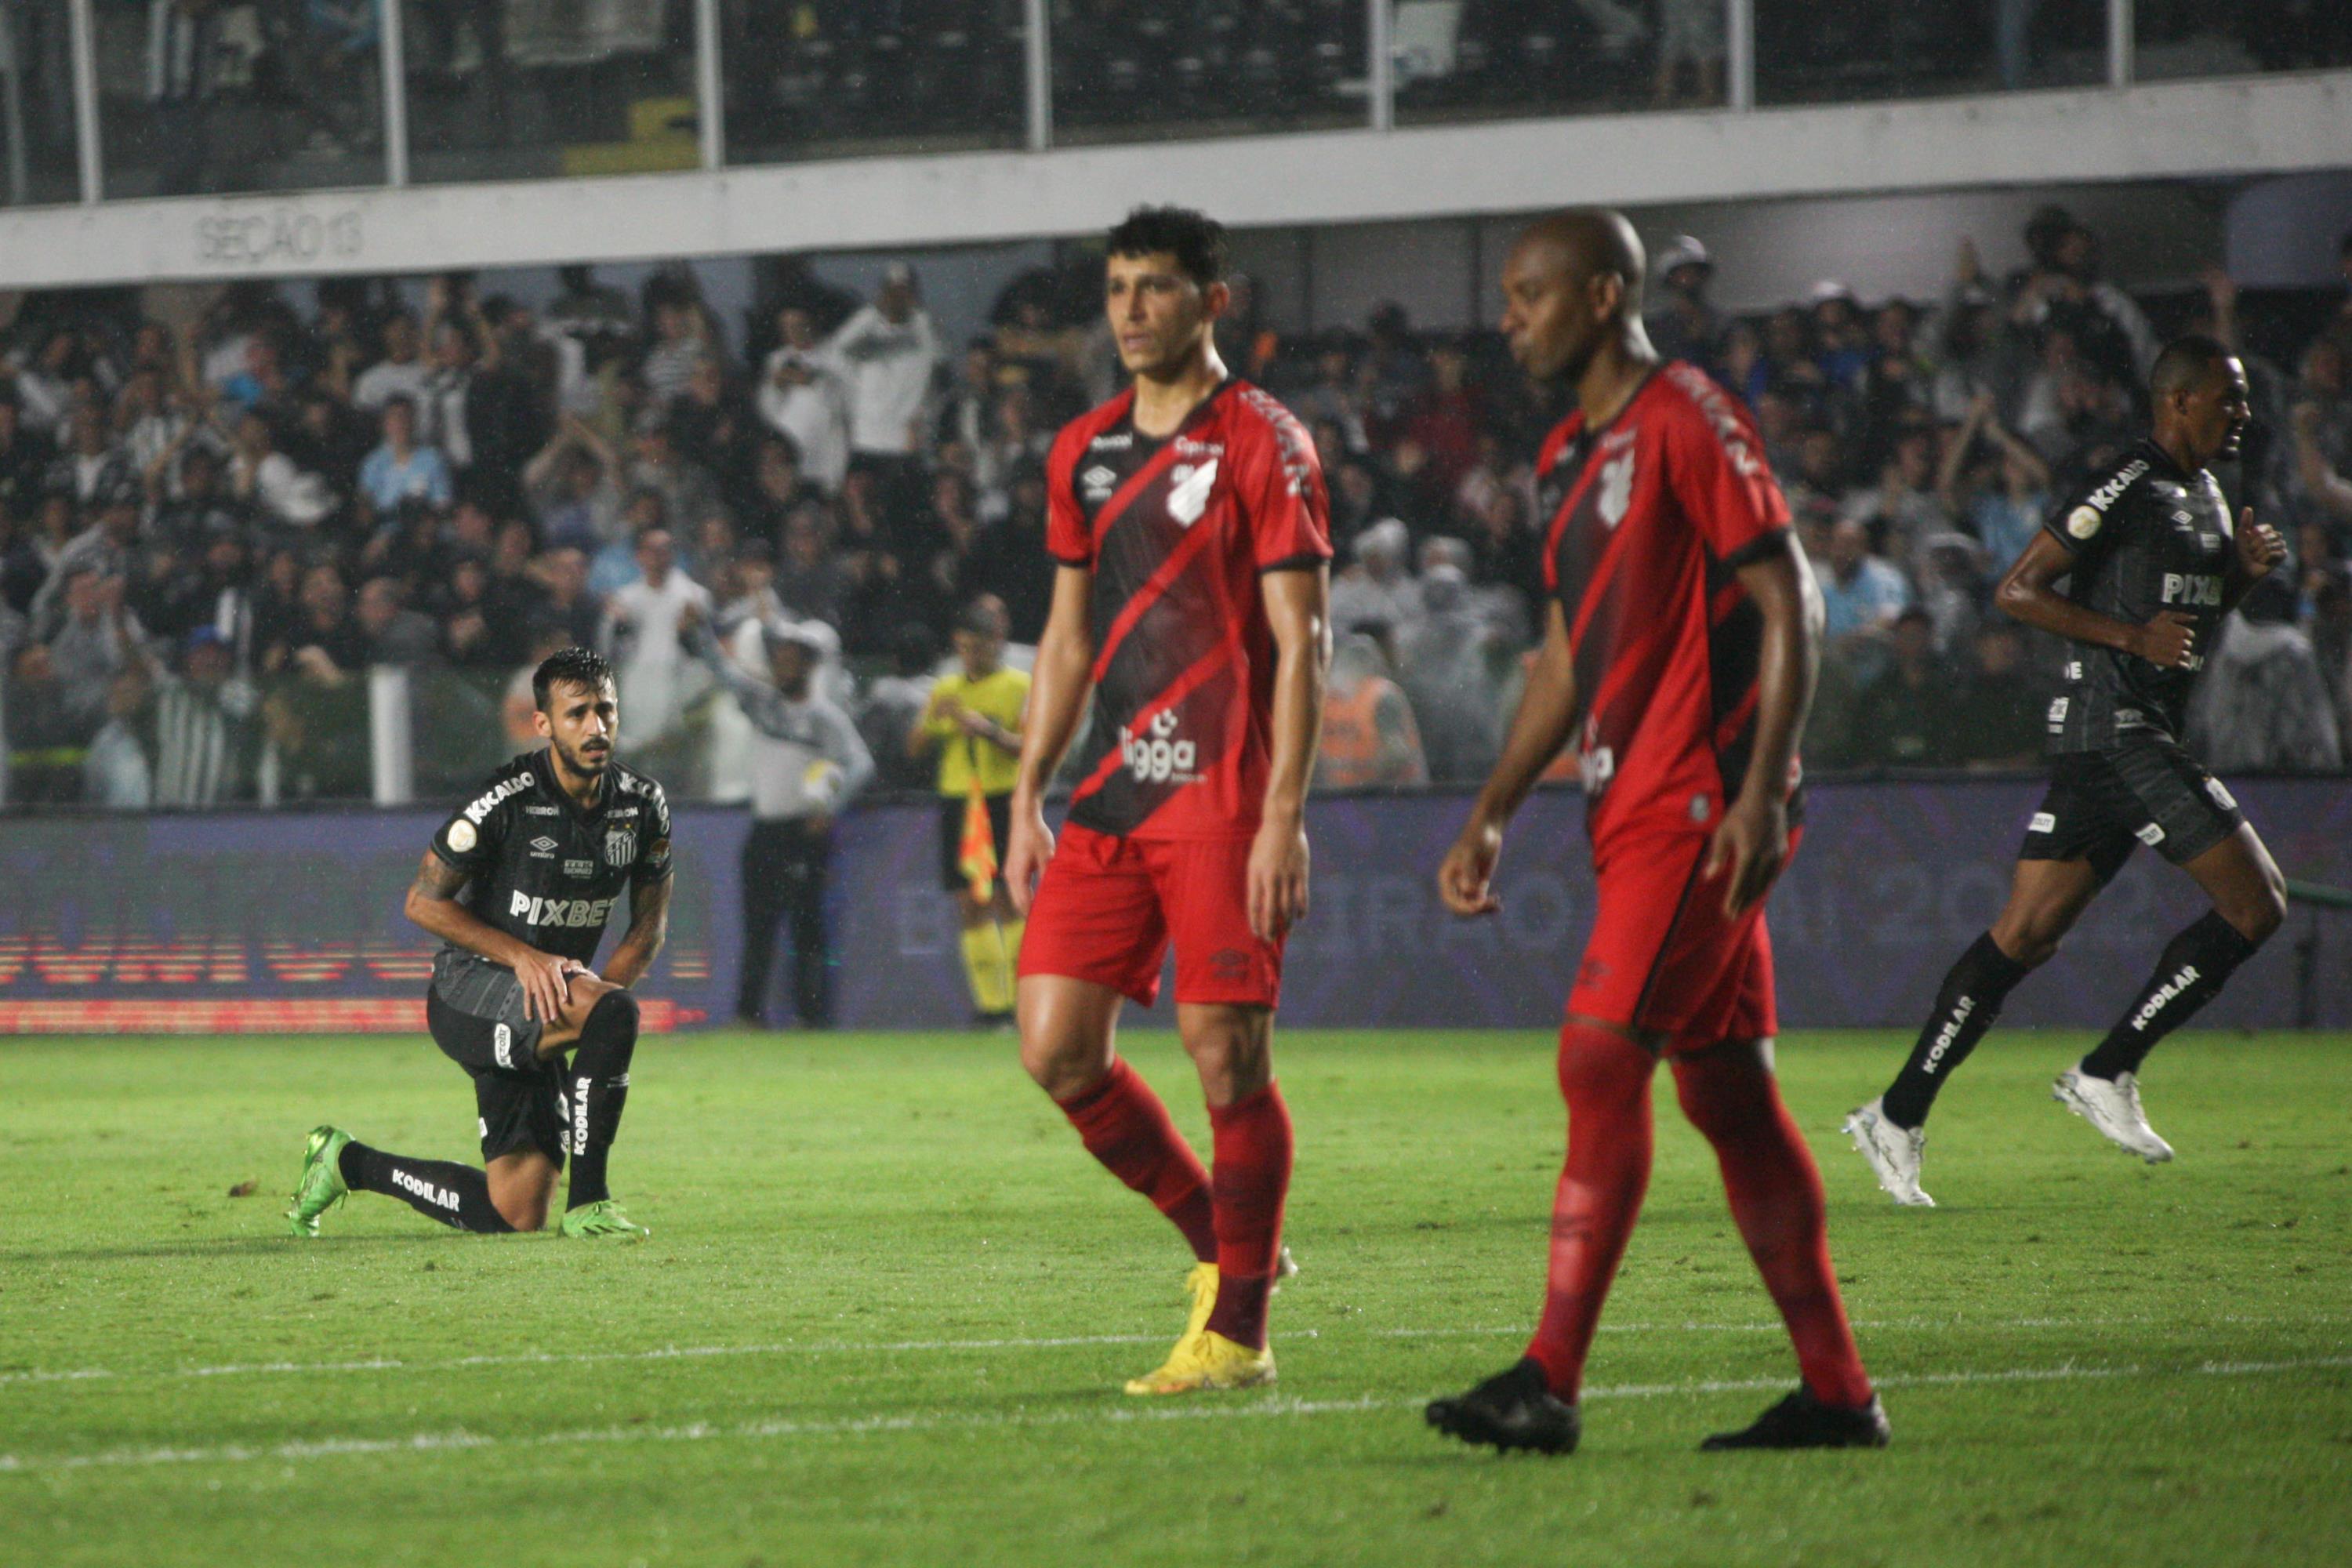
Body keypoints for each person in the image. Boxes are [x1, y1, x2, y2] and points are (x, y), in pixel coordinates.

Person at [1425, 210, 1885, 1456]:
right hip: (1627, 807)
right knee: (1729, 1097)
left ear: (1606, 292)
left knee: (1597, 1061)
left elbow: (1789, 590)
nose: (1510, 317)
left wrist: (1763, 780)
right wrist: (1495, 805)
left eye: (1530, 294)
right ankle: (1838, 1395)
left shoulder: (1686, 412)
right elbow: (1572, 651)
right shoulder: (1573, 453)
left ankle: (1549, 1382)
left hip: (1698, 807)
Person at [1004, 206, 1331, 1396]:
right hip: (1110, 789)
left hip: (1223, 787)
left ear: (1213, 301)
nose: (1132, 309)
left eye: (1155, 287)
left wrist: (1284, 813)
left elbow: (1304, 642)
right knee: (1055, 1047)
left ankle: (1237, 1335)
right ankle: (1227, 1250)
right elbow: (1065, 635)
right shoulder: (1083, 451)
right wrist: (1026, 789)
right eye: (1118, 289)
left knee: (1224, 1054)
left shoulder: (1263, 440)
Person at [1846, 336, 2291, 1206]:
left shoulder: (2205, 491)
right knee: (2257, 902)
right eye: (2228, 397)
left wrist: (2236, 578)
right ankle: (2107, 1069)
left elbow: (2183, 629)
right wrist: (2131, 639)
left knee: (2025, 935)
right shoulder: (2126, 480)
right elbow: (2017, 588)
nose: (2243, 412)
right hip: (2119, 732)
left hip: (2129, 734)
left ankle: (1894, 1116)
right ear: (2180, 401)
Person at [286, 648, 672, 1240]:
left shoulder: (642, 806)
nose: (596, 728)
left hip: (545, 998)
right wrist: (528, 959)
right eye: (577, 715)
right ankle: (590, 1203)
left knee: (512, 1216)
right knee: (614, 1011)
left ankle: (346, 1162)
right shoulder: (508, 800)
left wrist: (593, 1022)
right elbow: (421, 901)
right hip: (470, 991)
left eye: (605, 711)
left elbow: (647, 927)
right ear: (543, 724)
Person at [690, 612, 873, 1029]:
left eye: (792, 658)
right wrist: (698, 633)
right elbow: (723, 672)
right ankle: (748, 1016)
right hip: (765, 827)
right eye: (780, 657)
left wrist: (830, 806)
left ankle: (812, 1017)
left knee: (807, 927)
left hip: (802, 830)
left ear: (810, 665)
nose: (782, 665)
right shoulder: (763, 701)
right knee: (759, 927)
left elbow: (860, 763)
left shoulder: (825, 716)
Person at [910, 595, 1031, 1027]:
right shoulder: (947, 689)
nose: (970, 656)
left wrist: (987, 730)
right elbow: (914, 747)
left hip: (1002, 795)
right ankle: (991, 1007)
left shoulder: (1018, 686)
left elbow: (1032, 747)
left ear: (996, 642)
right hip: (960, 800)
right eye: (963, 648)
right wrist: (932, 720)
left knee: (1009, 898)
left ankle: (1024, 1004)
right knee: (969, 901)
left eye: (977, 647)